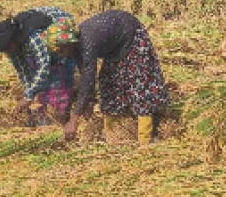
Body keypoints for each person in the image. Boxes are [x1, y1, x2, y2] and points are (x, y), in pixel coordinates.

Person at [48, 10, 169, 144]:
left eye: (61, 50)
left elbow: (88, 80)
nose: (61, 55)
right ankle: (112, 137)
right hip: (114, 47)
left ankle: (144, 142)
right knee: (109, 85)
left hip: (132, 35)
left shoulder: (87, 42)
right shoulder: (75, 47)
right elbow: (86, 76)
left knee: (139, 86)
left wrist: (73, 119)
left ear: (69, 42)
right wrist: (89, 102)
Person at [0, 6, 77, 125]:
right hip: (40, 42)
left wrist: (28, 97)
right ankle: (40, 115)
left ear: (14, 41)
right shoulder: (11, 45)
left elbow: (44, 66)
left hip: (60, 33)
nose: (8, 53)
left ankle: (59, 116)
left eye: (8, 49)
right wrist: (29, 95)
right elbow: (22, 71)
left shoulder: (34, 38)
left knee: (59, 72)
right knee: (36, 78)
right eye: (5, 51)